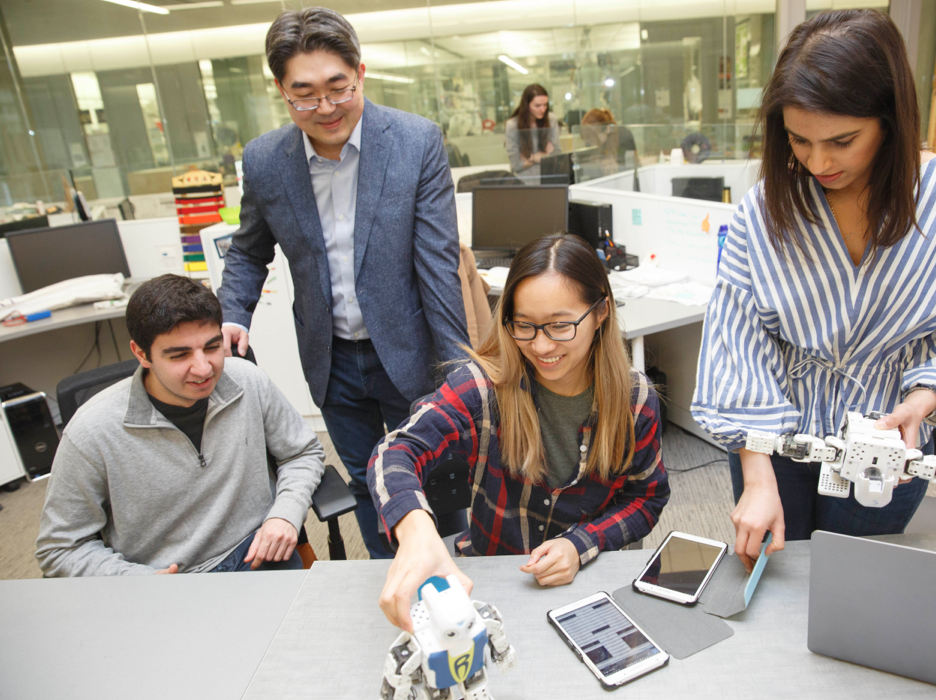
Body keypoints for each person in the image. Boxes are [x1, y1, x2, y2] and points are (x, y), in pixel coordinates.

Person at [691, 10, 936, 572]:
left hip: (886, 448)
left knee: (854, 584)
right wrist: (757, 475)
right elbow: (740, 345)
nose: (819, 162)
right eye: (798, 140)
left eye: (843, 141)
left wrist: (925, 400)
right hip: (775, 442)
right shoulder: (766, 208)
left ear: (891, 119)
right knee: (772, 581)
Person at [216, 7, 469, 560]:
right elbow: (248, 250)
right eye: (304, 93)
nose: (325, 107)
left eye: (338, 87)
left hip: (408, 351)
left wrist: (458, 370)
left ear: (361, 71)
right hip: (330, 359)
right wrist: (231, 314)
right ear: (281, 90)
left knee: (434, 475)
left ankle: (451, 580)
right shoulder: (265, 161)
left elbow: (437, 263)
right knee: (364, 481)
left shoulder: (414, 142)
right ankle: (387, 574)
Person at [370, 233, 669, 631]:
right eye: (524, 326)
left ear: (601, 313)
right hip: (495, 583)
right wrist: (415, 526)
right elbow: (396, 450)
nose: (541, 346)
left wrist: (581, 543)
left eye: (560, 326)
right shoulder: (484, 387)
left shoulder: (635, 400)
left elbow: (646, 499)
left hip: (589, 589)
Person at [36, 275, 326, 576]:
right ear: (141, 354)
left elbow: (302, 453)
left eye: (212, 347)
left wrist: (286, 514)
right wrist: (135, 579)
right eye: (180, 355)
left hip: (259, 555)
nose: (203, 368)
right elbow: (60, 548)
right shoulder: (92, 430)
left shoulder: (248, 381)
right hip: (165, 581)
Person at [505, 84, 561, 183]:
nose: (542, 109)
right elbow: (516, 165)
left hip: (549, 179)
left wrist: (530, 158)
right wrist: (540, 157)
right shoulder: (512, 125)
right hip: (524, 182)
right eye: (537, 106)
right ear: (527, 105)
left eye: (545, 105)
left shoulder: (551, 119)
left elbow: (556, 155)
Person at [580, 108, 638, 175]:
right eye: (587, 136)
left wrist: (617, 167)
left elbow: (633, 168)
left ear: (607, 129)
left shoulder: (624, 137)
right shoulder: (591, 143)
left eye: (592, 136)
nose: (590, 142)